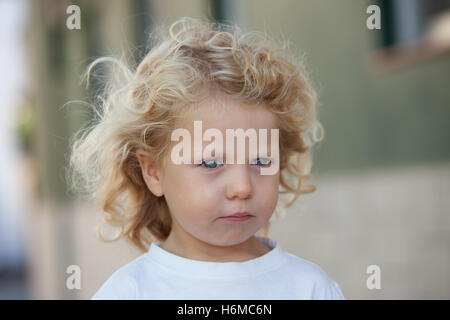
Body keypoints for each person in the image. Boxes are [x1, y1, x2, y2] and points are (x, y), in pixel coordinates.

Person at [67, 16, 345, 300]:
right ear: (153, 172)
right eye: (211, 163)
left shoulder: (310, 289)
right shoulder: (129, 293)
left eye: (261, 161)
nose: (243, 187)